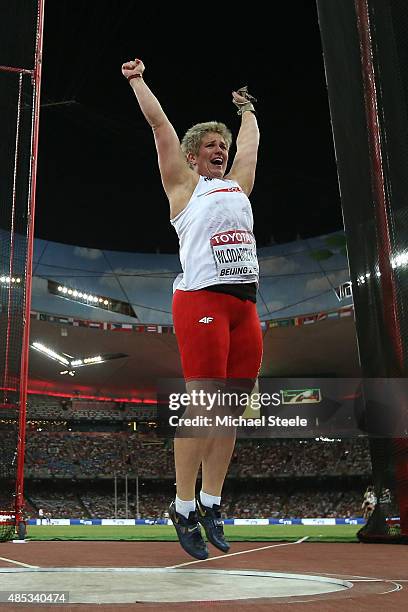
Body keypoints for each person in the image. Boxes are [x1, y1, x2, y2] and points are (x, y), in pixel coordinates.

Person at [121, 58, 263, 560]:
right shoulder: (184, 186)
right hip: (201, 299)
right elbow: (160, 125)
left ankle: (210, 501)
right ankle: (181, 506)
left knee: (229, 413)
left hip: (245, 306)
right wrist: (139, 80)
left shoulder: (238, 186)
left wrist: (246, 111)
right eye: (211, 145)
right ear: (192, 156)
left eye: (222, 146)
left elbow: (249, 144)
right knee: (204, 405)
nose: (221, 150)